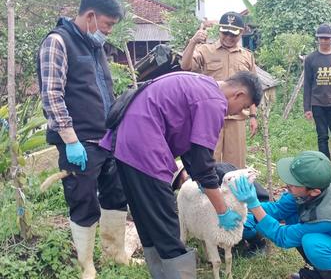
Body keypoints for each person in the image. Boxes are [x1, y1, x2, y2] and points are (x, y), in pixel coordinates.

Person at [99, 71, 263, 278]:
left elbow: (189, 146)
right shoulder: (214, 101)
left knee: (148, 220)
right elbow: (202, 160)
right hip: (144, 147)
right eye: (244, 107)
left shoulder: (201, 84)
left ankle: (160, 274)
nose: (241, 112)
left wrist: (201, 181)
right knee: (166, 224)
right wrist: (222, 209)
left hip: (125, 143)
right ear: (238, 95)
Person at [37, 0, 129, 278]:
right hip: (79, 144)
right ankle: (86, 265)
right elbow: (52, 94)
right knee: (84, 201)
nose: (109, 30)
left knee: (115, 194)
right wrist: (70, 139)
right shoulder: (58, 42)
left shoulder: (94, 46)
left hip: (106, 140)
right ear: (90, 16)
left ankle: (115, 253)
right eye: (107, 24)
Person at [230, 151, 331, 279]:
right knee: (293, 216)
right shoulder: (312, 187)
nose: (286, 185)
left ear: (314, 191)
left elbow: (282, 236)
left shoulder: (329, 217)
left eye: (293, 183)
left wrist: (253, 203)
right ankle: (321, 273)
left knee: (313, 242)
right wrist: (240, 212)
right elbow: (277, 209)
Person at [181, 11, 258, 169]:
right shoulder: (205, 50)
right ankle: (209, 192)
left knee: (236, 166)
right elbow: (185, 66)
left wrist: (253, 115)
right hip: (210, 117)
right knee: (209, 161)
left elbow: (252, 87)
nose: (228, 37)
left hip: (237, 118)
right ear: (219, 30)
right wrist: (193, 41)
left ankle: (233, 193)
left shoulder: (247, 56)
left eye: (233, 34)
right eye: (225, 32)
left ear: (241, 32)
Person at [303, 24, 331, 166]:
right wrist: (307, 108)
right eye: (321, 38)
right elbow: (308, 84)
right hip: (317, 104)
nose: (323, 41)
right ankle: (325, 171)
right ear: (317, 39)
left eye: (326, 38)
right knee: (322, 137)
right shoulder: (311, 58)